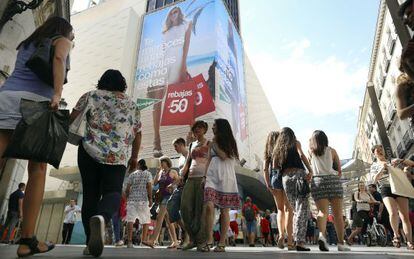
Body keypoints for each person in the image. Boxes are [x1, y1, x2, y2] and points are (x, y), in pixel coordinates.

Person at [0, 17, 73, 257]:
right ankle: (27, 240)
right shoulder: (62, 40)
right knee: (38, 169)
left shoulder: (26, 43)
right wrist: (57, 94)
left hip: (6, 98)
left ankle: (27, 240)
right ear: (65, 32)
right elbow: (59, 58)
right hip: (35, 104)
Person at [71, 69, 142, 257]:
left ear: (101, 81)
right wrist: (134, 157)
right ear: (123, 85)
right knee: (113, 192)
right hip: (116, 156)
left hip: (88, 151)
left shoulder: (90, 95)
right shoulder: (132, 105)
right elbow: (138, 133)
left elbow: (72, 118)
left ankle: (89, 243)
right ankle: (101, 218)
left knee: (90, 195)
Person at [149, 6, 192, 157]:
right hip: (163, 63)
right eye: (172, 11)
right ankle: (156, 140)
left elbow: (186, 46)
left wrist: (184, 65)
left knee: (182, 96)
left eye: (177, 11)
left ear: (180, 14)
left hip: (177, 62)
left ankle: (192, 133)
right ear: (169, 15)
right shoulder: (165, 29)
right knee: (156, 101)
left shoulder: (186, 24)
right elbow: (163, 49)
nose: (175, 13)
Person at [202, 118, 241, 252]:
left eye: (214, 126)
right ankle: (209, 239)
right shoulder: (211, 143)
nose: (212, 128)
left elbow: (223, 156)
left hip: (226, 178)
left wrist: (214, 145)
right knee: (208, 205)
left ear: (221, 127)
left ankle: (222, 243)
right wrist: (204, 176)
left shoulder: (229, 142)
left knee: (225, 211)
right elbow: (208, 160)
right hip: (211, 177)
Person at [308, 130, 349, 251]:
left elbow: (309, 164)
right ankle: (341, 243)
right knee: (337, 215)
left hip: (318, 181)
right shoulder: (332, 151)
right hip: (333, 181)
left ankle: (322, 235)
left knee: (322, 212)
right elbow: (339, 171)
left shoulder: (311, 152)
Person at [272, 127, 313, 251]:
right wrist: (310, 170)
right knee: (302, 207)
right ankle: (299, 241)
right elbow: (302, 155)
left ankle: (295, 240)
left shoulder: (278, 148)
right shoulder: (296, 143)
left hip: (285, 178)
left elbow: (275, 165)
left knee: (295, 209)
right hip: (299, 174)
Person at [371, 145, 414, 250]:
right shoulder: (374, 165)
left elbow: (412, 164)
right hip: (385, 188)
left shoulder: (393, 160)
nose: (381, 151)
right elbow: (374, 180)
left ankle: (409, 242)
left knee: (405, 216)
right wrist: (382, 168)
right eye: (378, 150)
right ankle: (396, 235)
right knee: (393, 213)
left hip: (399, 187)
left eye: (382, 149)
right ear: (374, 153)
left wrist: (401, 160)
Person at [180, 121, 210, 250]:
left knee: (200, 211)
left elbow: (211, 161)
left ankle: (201, 242)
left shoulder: (210, 143)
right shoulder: (192, 144)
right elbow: (187, 162)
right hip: (190, 179)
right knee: (185, 208)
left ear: (204, 129)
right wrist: (182, 176)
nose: (197, 130)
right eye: (195, 128)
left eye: (200, 128)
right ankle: (192, 238)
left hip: (202, 179)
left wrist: (206, 177)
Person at [263, 131, 294, 249]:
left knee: (280, 209)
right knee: (288, 209)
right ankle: (290, 240)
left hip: (274, 179)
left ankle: (281, 236)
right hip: (285, 177)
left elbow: (265, 169)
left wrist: (268, 184)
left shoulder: (268, 153)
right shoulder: (283, 150)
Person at [142, 156, 180, 248]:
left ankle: (152, 240)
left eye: (162, 162)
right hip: (161, 198)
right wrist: (158, 172)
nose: (161, 164)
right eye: (160, 162)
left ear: (167, 162)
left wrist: (172, 185)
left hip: (168, 197)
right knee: (168, 220)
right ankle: (175, 241)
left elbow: (179, 180)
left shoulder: (172, 172)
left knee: (159, 218)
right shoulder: (161, 173)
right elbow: (155, 183)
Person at [167, 138, 189, 248]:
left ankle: (187, 238)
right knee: (171, 205)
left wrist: (174, 184)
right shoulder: (180, 158)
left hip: (189, 186)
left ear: (181, 144)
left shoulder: (190, 154)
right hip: (180, 186)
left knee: (186, 212)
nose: (174, 149)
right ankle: (186, 230)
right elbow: (181, 174)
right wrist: (174, 184)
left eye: (175, 146)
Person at [125, 159, 153, 248]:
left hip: (132, 200)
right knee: (145, 221)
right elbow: (149, 186)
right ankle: (143, 241)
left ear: (138, 165)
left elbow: (127, 188)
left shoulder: (132, 174)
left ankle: (129, 242)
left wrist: (127, 198)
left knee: (130, 220)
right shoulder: (148, 174)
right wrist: (150, 198)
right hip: (143, 200)